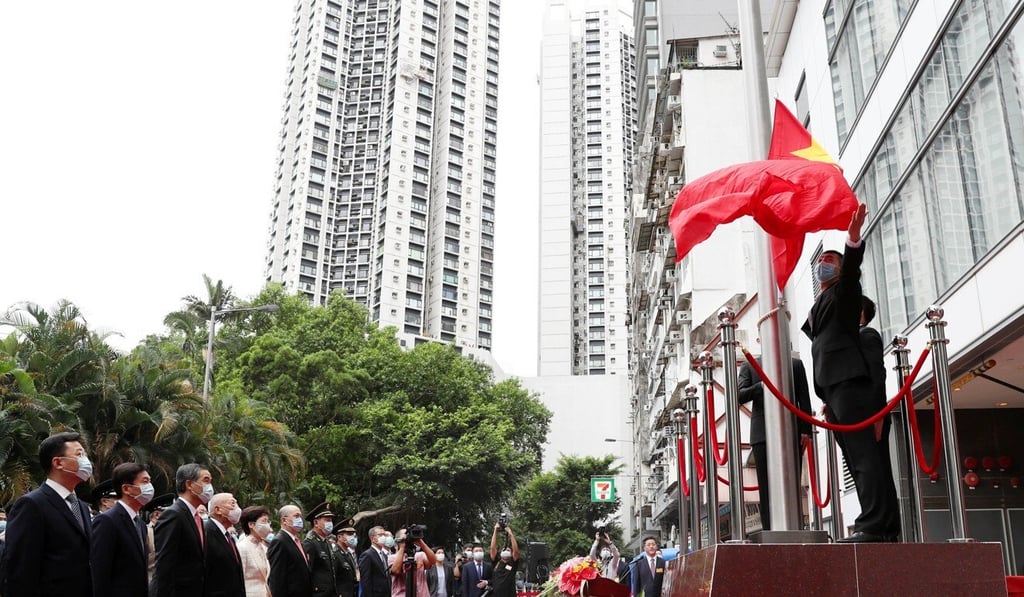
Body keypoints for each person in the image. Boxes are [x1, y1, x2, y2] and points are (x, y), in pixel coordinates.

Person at [801, 203, 899, 543]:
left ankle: (872, 525)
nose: (823, 264)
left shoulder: (844, 296)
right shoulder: (820, 308)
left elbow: (852, 274)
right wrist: (827, 399)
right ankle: (883, 526)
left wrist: (852, 241)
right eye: (821, 260)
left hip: (853, 389)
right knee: (859, 460)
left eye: (831, 259)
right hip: (834, 391)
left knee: (865, 459)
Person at [0, 431, 94, 597]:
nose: (86, 460)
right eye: (79, 454)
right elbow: (20, 569)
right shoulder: (32, 505)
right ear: (58, 462)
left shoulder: (82, 507)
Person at [737, 353, 814, 530]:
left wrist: (805, 430)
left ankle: (794, 527)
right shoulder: (750, 365)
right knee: (765, 487)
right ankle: (769, 530)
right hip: (761, 434)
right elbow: (740, 395)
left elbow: (804, 399)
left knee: (792, 483)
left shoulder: (795, 364)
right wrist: (761, 386)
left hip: (791, 431)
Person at [151, 463, 215, 596]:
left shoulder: (196, 517)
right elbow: (164, 565)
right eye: (206, 480)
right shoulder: (173, 514)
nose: (209, 486)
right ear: (189, 484)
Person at [90, 462, 153, 597]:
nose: (150, 487)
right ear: (126, 489)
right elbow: (100, 572)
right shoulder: (107, 521)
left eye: (149, 481)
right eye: (145, 482)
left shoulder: (140, 524)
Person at [204, 492, 246, 597]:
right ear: (217, 510)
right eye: (232, 503)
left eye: (236, 503)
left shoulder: (227, 535)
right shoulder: (207, 532)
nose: (237, 508)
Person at [268, 504, 313, 597]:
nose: (300, 520)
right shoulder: (279, 541)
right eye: (296, 516)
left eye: (300, 516)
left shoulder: (297, 541)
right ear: (284, 520)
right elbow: (277, 577)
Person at [303, 502, 339, 597]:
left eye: (331, 520)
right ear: (316, 523)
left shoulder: (326, 542)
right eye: (327, 520)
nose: (330, 523)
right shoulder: (310, 543)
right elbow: (306, 573)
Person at [389, 526, 436, 597]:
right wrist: (402, 547)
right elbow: (396, 571)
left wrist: (422, 544)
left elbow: (433, 561)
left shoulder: (420, 555)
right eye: (406, 535)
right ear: (398, 540)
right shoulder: (392, 557)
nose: (408, 537)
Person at [237, 506, 273, 597]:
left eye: (268, 521)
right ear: (251, 524)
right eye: (264, 521)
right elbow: (239, 579)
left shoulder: (263, 547)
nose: (267, 525)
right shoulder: (242, 547)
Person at [144, 493, 175, 583]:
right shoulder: (146, 532)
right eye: (170, 513)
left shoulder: (172, 530)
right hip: (152, 581)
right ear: (157, 514)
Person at [360, 526, 394, 597]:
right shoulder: (367, 555)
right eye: (380, 535)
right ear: (373, 539)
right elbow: (366, 581)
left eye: (384, 535)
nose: (383, 537)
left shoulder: (384, 555)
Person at [487, 523, 518, 597]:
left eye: (508, 550)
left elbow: (516, 551)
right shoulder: (496, 562)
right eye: (504, 550)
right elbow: (492, 548)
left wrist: (511, 534)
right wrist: (495, 531)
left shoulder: (513, 562)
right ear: (500, 552)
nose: (506, 551)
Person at [334, 525, 361, 597]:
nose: (352, 537)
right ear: (339, 537)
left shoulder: (348, 553)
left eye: (353, 534)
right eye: (349, 534)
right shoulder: (335, 554)